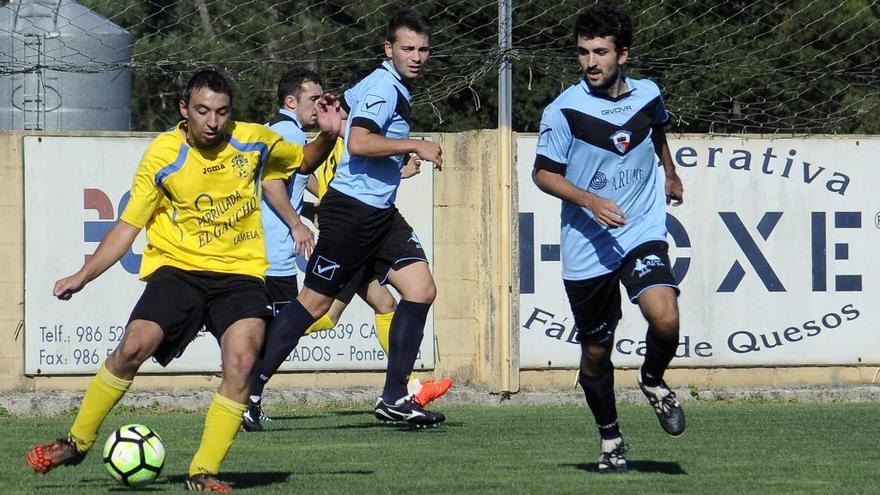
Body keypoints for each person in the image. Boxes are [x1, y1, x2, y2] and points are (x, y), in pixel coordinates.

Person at [25, 68, 341, 492]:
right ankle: (76, 442)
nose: (213, 122)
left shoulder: (253, 140)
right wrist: (84, 275)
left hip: (241, 274)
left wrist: (329, 134)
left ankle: (203, 471)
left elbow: (302, 161)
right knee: (132, 346)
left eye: (222, 112)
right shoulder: (163, 154)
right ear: (184, 110)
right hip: (180, 271)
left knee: (242, 362)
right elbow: (126, 227)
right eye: (203, 111)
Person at [255, 8, 446, 428]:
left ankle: (394, 397)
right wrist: (416, 144)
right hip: (352, 214)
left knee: (421, 289)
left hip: (379, 214)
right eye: (407, 48)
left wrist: (334, 123)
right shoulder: (385, 87)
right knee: (315, 304)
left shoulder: (378, 84)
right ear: (389, 49)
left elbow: (347, 126)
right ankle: (250, 388)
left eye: (423, 49)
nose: (416, 56)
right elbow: (359, 143)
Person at [532, 5, 686, 473]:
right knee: (597, 351)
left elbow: (657, 129)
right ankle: (611, 439)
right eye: (583, 53)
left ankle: (654, 380)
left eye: (600, 52)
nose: (590, 62)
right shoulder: (563, 110)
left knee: (665, 315)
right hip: (588, 242)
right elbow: (542, 174)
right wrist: (589, 200)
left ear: (623, 54)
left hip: (639, 226)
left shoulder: (648, 93)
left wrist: (670, 172)